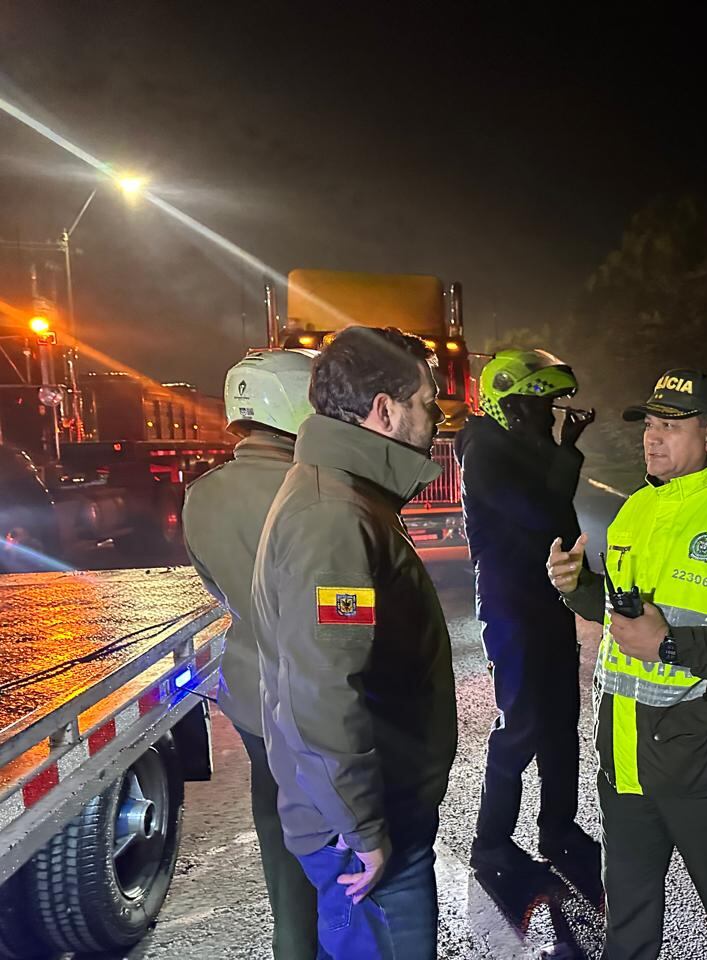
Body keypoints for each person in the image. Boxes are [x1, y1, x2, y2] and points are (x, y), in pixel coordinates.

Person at [546, 369, 707, 960]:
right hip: (625, 754)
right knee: (628, 926)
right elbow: (626, 615)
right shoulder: (637, 509)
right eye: (650, 425)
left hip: (704, 758)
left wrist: (671, 647)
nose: (652, 438)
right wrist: (578, 588)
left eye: (671, 426)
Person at [251, 326, 458, 960]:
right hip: (364, 832)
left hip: (367, 810)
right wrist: (362, 826)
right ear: (385, 410)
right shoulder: (333, 517)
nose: (436, 417)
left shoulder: (344, 494)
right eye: (426, 402)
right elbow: (321, 691)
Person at [183, 348, 318, 960]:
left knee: (277, 828)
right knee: (347, 848)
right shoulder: (316, 491)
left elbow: (215, 586)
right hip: (322, 696)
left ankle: (292, 943)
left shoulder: (202, 494)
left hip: (251, 692)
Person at [456, 349, 600, 880]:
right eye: (542, 409)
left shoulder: (518, 444)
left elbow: (556, 514)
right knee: (522, 723)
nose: (552, 417)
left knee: (561, 720)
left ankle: (558, 827)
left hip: (546, 601)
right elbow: (544, 511)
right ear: (510, 409)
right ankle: (491, 841)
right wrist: (561, 450)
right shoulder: (485, 452)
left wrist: (559, 447)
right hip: (511, 603)